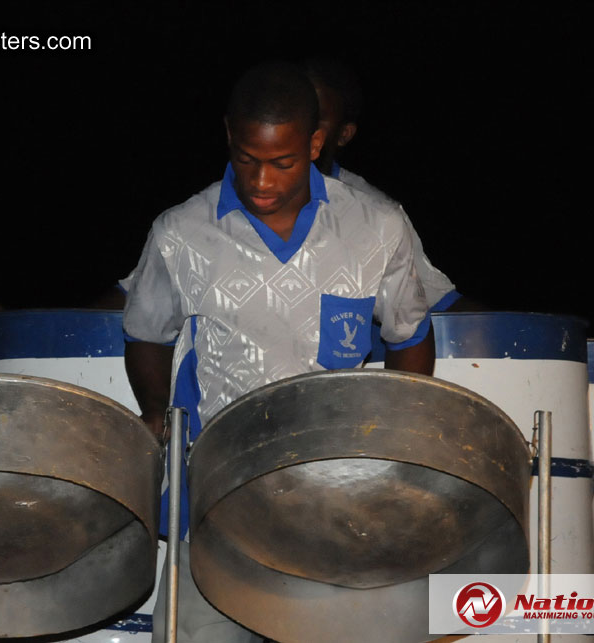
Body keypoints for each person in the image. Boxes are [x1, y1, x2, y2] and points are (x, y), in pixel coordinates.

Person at [122, 60, 435, 643]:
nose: (261, 181)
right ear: (228, 137)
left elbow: (409, 335)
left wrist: (400, 429)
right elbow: (147, 334)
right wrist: (154, 410)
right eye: (247, 159)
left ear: (315, 144)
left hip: (336, 497)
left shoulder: (376, 226)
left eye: (282, 163)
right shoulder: (179, 233)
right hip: (216, 501)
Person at [302, 56, 487, 315]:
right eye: (294, 111)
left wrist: (515, 336)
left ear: (345, 133)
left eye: (317, 117)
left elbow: (441, 306)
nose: (301, 126)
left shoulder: (375, 216)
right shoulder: (237, 197)